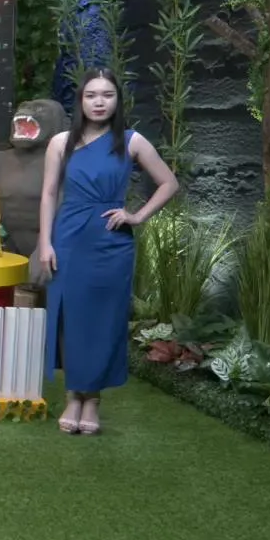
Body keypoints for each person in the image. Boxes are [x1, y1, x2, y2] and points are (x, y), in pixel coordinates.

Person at [38, 67, 178, 436]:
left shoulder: (131, 141)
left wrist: (136, 216)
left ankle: (93, 401)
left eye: (107, 95)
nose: (99, 102)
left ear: (117, 100)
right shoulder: (60, 142)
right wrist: (44, 242)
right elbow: (49, 194)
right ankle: (73, 397)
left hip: (110, 242)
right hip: (68, 238)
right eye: (91, 95)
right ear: (81, 101)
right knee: (70, 318)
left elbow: (169, 183)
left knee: (102, 321)